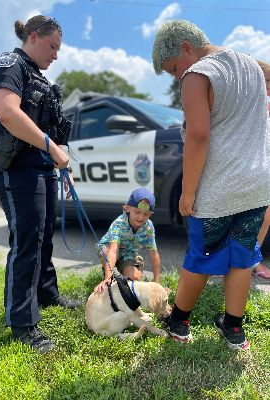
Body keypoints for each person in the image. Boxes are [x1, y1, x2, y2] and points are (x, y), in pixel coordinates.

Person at [152, 20, 270, 350]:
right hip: (257, 184)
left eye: (174, 68)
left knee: (201, 258)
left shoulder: (198, 74)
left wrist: (187, 193)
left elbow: (199, 136)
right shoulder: (251, 66)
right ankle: (234, 329)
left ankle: (178, 321)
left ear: (185, 48)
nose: (177, 77)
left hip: (219, 187)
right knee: (242, 258)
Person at [0, 15, 81, 353]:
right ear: (35, 37)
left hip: (40, 168)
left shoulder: (39, 77)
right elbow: (8, 112)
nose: (56, 54)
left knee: (43, 237)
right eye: (53, 46)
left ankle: (47, 293)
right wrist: (52, 148)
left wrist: (58, 157)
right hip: (16, 167)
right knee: (26, 242)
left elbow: (49, 127)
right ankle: (23, 323)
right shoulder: (9, 63)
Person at [94, 188, 161, 293]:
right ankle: (109, 274)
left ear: (151, 214)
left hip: (128, 252)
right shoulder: (119, 223)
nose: (141, 217)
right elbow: (113, 250)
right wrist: (107, 278)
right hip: (109, 249)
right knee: (105, 253)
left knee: (134, 279)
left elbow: (153, 253)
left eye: (146, 214)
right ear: (128, 208)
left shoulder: (148, 227)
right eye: (137, 212)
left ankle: (122, 271)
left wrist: (157, 282)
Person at [251, 60, 270, 280]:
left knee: (266, 216)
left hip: (265, 165)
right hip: (250, 165)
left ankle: (254, 259)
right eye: (265, 80)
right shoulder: (246, 101)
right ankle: (220, 261)